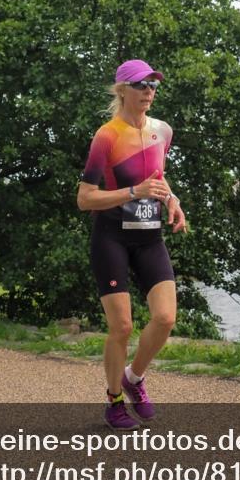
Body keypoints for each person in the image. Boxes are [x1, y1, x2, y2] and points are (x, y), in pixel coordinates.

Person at [77, 59, 187, 430]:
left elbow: (159, 178)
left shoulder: (163, 131)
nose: (149, 92)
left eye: (154, 85)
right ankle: (113, 402)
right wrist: (133, 192)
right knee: (122, 327)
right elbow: (85, 198)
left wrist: (173, 201)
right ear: (122, 89)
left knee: (165, 317)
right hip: (111, 238)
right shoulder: (106, 135)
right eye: (141, 85)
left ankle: (134, 378)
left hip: (149, 237)